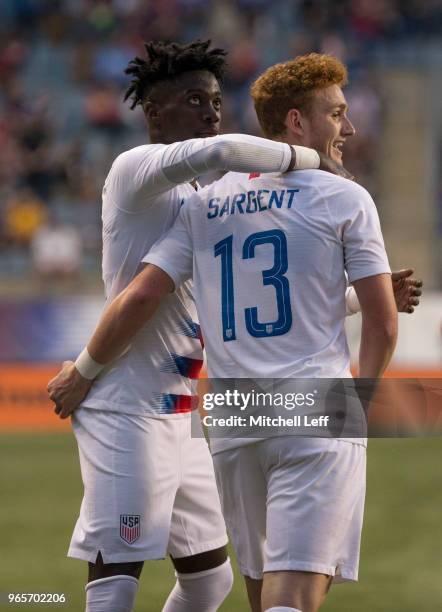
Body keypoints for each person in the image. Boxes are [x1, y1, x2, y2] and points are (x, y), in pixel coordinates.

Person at [48, 53, 422, 612]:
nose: (212, 114)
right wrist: (82, 371)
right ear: (153, 111)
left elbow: (248, 291)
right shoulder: (139, 167)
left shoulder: (206, 201)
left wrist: (348, 299)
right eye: (196, 101)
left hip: (215, 411)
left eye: (218, 102)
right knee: (127, 571)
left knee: (214, 580)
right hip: (138, 406)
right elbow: (142, 296)